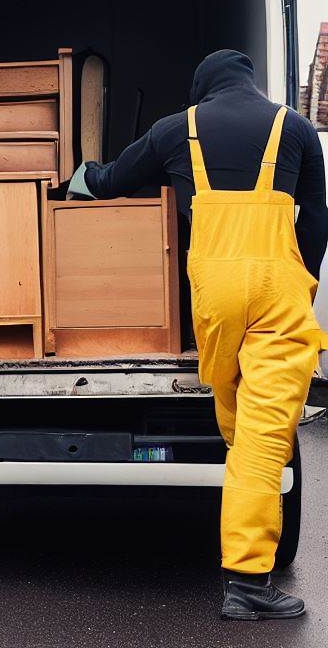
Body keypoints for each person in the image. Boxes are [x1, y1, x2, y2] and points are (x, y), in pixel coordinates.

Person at [68, 49, 328, 620]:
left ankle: (246, 489)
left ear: (202, 90)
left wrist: (78, 180)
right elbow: (316, 220)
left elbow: (112, 179)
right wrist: (298, 280)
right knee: (262, 439)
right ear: (251, 85)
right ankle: (247, 582)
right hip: (278, 289)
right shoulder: (297, 128)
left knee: (237, 423)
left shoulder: (175, 129)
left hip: (214, 294)